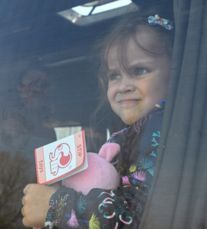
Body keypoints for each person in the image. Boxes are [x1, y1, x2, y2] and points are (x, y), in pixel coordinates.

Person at [21, 11, 174, 229]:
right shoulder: (129, 134)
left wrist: (56, 206)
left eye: (140, 70)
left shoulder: (158, 128)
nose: (123, 86)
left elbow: (136, 214)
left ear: (176, 73)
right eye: (114, 76)